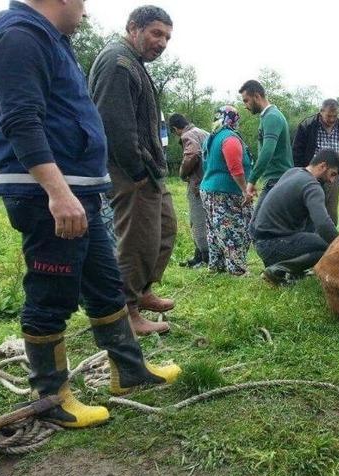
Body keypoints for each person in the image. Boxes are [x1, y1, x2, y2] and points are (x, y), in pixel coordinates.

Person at [0, 0, 180, 428]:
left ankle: (128, 371)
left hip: (80, 191)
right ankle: (50, 397)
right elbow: (20, 119)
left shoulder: (50, 39)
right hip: (49, 194)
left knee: (105, 285)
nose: (86, 12)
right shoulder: (19, 35)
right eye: (83, 2)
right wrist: (56, 190)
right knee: (51, 293)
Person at [88, 5, 175, 335]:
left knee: (164, 229)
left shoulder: (133, 62)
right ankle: (127, 310)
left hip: (147, 169)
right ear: (133, 28)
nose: (163, 42)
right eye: (156, 33)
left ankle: (142, 290)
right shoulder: (118, 62)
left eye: (167, 37)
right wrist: (138, 172)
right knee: (137, 239)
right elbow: (115, 125)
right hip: (129, 170)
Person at [252, 149, 339, 286]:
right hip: (273, 245)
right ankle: (278, 269)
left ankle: (293, 270)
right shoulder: (312, 186)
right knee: (328, 246)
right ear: (323, 166)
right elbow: (323, 225)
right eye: (333, 174)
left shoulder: (293, 172)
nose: (332, 180)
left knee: (314, 233)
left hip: (261, 241)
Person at [200, 106, 254, 276]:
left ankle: (216, 266)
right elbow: (235, 169)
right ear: (234, 119)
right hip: (226, 191)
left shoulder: (212, 136)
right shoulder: (229, 138)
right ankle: (237, 269)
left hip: (209, 190)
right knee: (234, 229)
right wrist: (245, 190)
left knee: (215, 230)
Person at [292, 99, 339, 225]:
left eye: (335, 116)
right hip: (313, 174)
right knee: (311, 208)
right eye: (328, 116)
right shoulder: (307, 125)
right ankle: (310, 238)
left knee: (331, 211)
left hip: (333, 175)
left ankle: (330, 241)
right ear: (321, 112)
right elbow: (296, 152)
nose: (332, 119)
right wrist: (301, 174)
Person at [239, 80, 293, 212]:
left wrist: (251, 180)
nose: (245, 105)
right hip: (276, 180)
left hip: (277, 180)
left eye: (246, 100)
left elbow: (267, 152)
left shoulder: (272, 117)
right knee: (274, 225)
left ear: (257, 96)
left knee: (257, 225)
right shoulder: (267, 117)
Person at [169, 113, 210, 268]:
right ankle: (198, 255)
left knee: (198, 220)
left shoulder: (188, 135)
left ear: (175, 129)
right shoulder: (203, 132)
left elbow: (192, 154)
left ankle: (205, 258)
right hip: (209, 182)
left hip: (198, 185)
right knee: (207, 220)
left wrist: (182, 173)